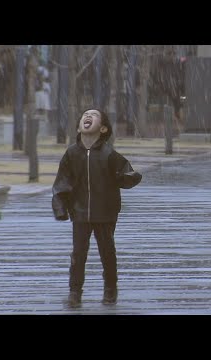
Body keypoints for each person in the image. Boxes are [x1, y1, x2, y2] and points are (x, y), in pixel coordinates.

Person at [52, 109, 142, 307]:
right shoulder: (71, 154)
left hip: (106, 211)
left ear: (103, 128)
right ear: (78, 127)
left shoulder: (109, 154)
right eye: (85, 115)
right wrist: (60, 207)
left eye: (93, 115)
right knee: (78, 253)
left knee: (107, 251)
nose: (88, 116)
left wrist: (131, 177)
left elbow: (126, 175)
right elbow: (62, 182)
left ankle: (110, 288)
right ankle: (75, 292)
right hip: (80, 212)